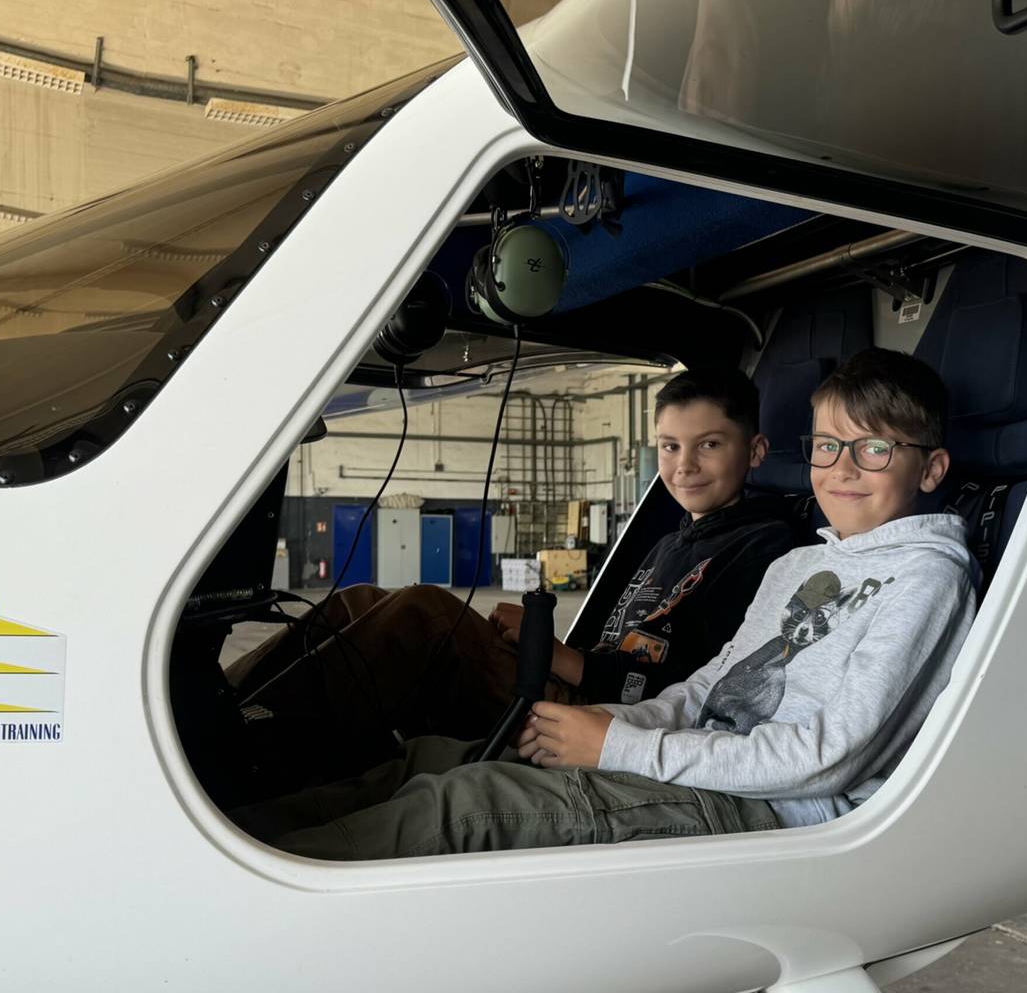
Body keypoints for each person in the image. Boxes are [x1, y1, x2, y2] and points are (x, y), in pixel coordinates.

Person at [238, 347, 977, 860]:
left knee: (463, 806)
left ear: (932, 467)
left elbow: (825, 760)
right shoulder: (801, 562)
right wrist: (608, 726)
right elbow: (702, 688)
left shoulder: (926, 578)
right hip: (694, 763)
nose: (842, 469)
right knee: (434, 759)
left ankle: (241, 887)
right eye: (826, 446)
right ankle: (230, 828)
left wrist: (616, 741)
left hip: (778, 812)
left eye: (873, 449)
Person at [223, 366, 801, 764]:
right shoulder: (675, 539)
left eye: (710, 445)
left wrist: (560, 659)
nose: (684, 466)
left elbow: (704, 683)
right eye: (670, 446)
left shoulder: (766, 550)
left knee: (424, 615)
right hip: (579, 681)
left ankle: (250, 739)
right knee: (363, 599)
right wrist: (542, 646)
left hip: (615, 719)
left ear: (753, 451)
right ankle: (226, 700)